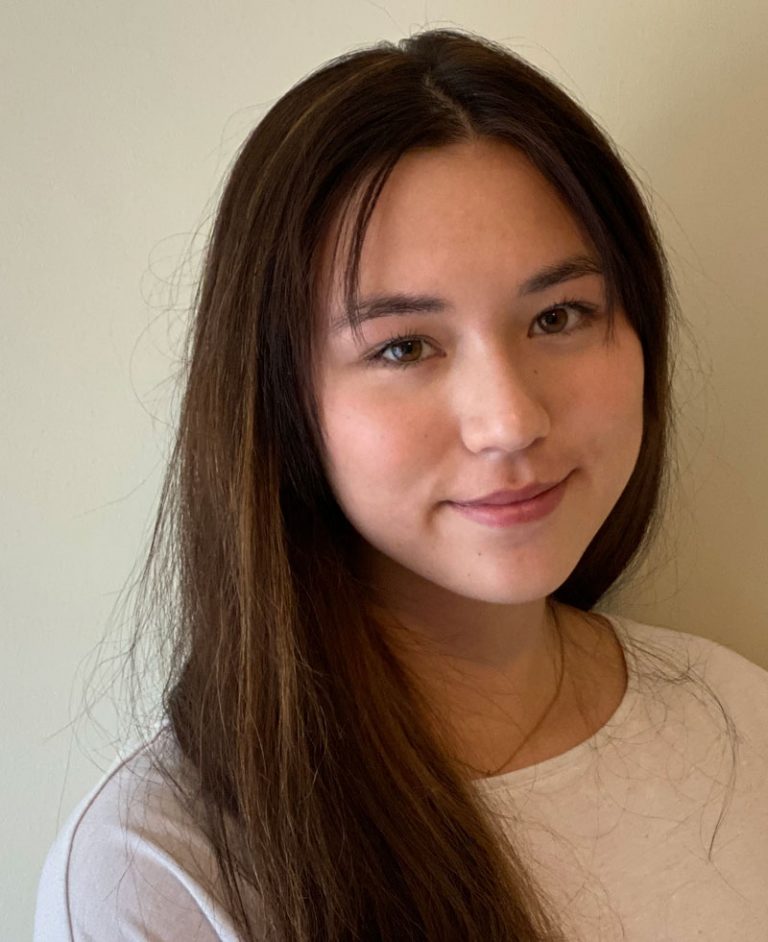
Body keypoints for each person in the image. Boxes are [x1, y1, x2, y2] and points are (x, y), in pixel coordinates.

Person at [34, 28, 768, 942]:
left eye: (559, 315)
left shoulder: (739, 717)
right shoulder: (164, 866)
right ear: (284, 402)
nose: (510, 420)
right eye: (403, 346)